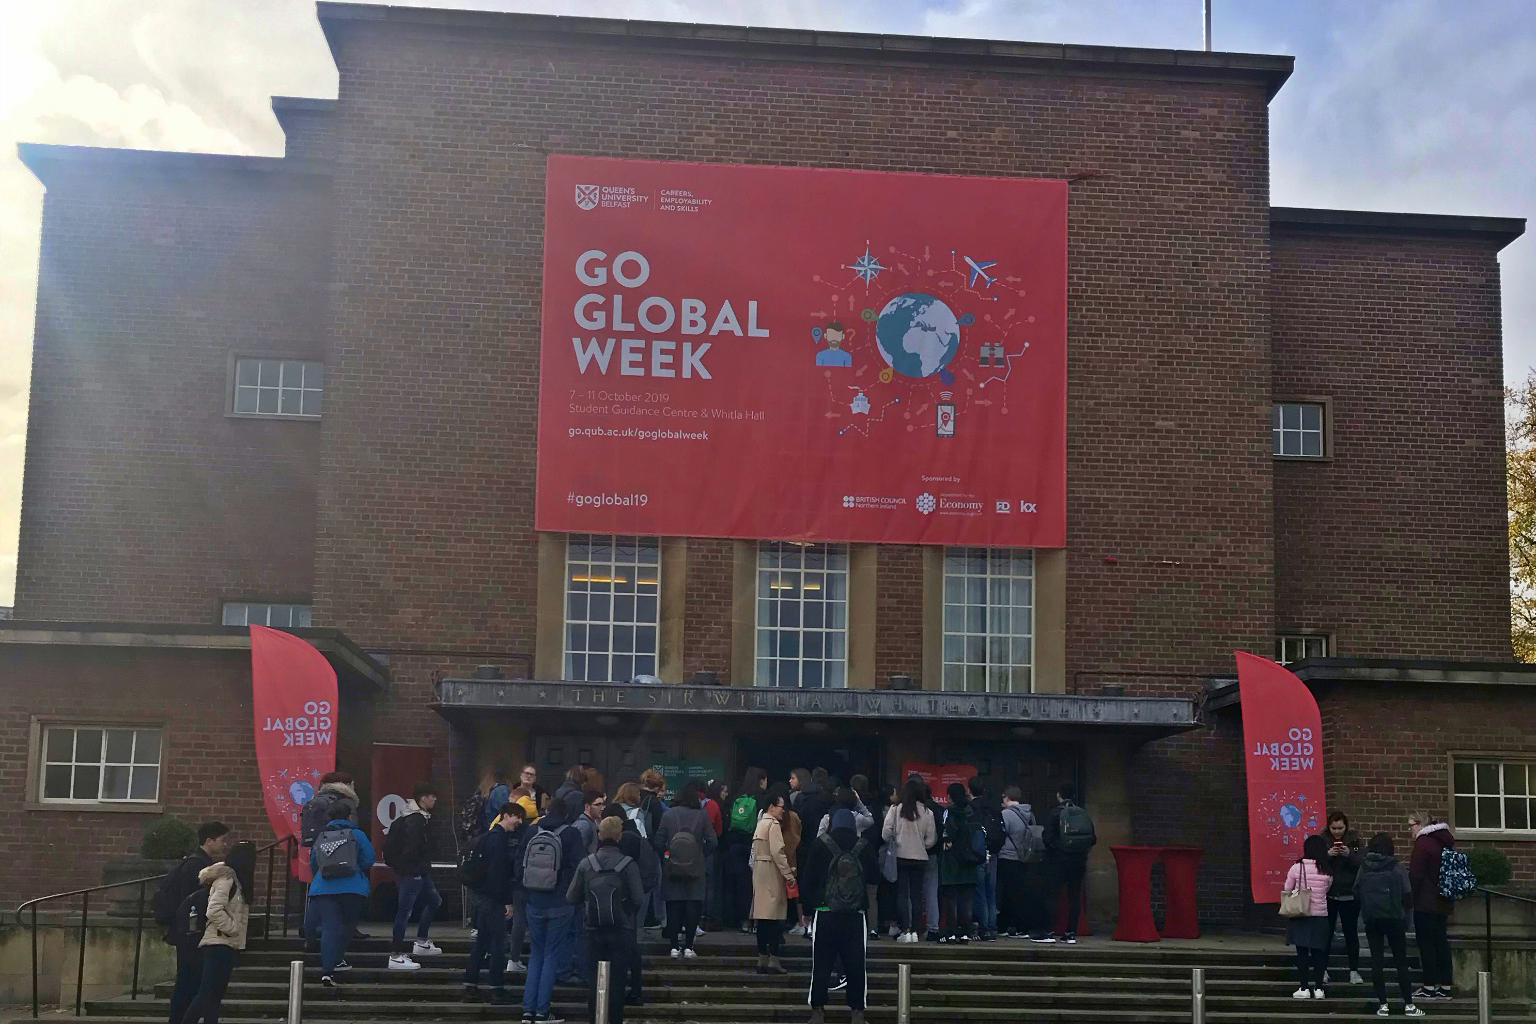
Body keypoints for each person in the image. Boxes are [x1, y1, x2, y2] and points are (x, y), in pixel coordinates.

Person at [802, 808, 876, 1024]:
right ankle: (857, 1012)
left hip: (825, 912)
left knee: (821, 964)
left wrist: (807, 910)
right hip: (855, 915)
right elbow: (875, 877)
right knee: (856, 965)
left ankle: (817, 1010)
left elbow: (808, 879)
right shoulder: (864, 845)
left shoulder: (820, 844)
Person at [567, 816, 643, 1024]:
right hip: (621, 929)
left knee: (595, 980)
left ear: (600, 835)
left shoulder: (587, 863)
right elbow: (638, 898)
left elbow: (571, 897)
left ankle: (595, 1019)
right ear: (619, 837)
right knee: (618, 981)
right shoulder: (628, 864)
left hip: (593, 929)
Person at [521, 787, 587, 1023]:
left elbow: (519, 863)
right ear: (566, 813)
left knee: (536, 955)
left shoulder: (532, 831)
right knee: (551, 955)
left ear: (547, 811)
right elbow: (580, 867)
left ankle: (527, 1010)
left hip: (534, 901)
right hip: (561, 902)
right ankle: (542, 1011)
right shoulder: (571, 834)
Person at [158, 821, 231, 1024]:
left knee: (190, 981)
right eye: (222, 840)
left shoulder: (197, 863)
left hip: (187, 933)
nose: (225, 844)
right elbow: (191, 902)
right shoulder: (197, 866)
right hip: (190, 935)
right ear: (209, 841)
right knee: (189, 982)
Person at [176, 840, 254, 1024]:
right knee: (207, 993)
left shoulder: (236, 881)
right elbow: (214, 910)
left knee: (214, 996)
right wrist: (232, 928)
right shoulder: (227, 879)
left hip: (225, 944)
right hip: (217, 943)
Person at [1354, 832, 1424, 1018]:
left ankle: (1383, 1004)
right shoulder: (1397, 867)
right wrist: (1406, 920)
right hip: (1394, 919)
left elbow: (1356, 891)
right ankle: (1409, 1004)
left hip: (1372, 919)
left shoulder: (1364, 867)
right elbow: (1407, 895)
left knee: (1376, 962)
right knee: (1401, 962)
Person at [601, 804, 660, 1008]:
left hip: (619, 901)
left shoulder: (624, 840)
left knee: (624, 947)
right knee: (632, 945)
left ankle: (626, 989)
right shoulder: (638, 837)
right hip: (633, 899)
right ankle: (635, 989)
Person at [308, 809, 375, 987]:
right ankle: (338, 959)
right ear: (350, 817)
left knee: (329, 928)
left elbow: (313, 862)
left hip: (323, 888)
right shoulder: (357, 835)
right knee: (348, 925)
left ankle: (327, 971)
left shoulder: (321, 836)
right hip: (353, 888)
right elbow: (369, 860)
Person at [464, 802, 519, 1005]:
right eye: (516, 817)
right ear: (506, 816)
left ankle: (470, 985)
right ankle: (496, 989)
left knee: (482, 942)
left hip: (482, 897)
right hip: (493, 899)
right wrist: (507, 901)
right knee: (498, 943)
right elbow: (499, 873)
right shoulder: (498, 839)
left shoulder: (487, 837)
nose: (519, 822)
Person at [384, 781, 444, 970]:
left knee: (435, 901)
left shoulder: (412, 817)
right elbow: (413, 847)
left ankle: (421, 941)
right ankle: (396, 955)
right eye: (432, 796)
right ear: (423, 798)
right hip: (413, 872)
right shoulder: (416, 820)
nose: (435, 799)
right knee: (405, 911)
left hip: (416, 871)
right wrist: (415, 868)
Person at [656, 783, 716, 958]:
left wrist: (667, 856)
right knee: (693, 908)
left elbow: (658, 841)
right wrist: (700, 855)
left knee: (673, 907)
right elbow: (713, 841)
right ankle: (689, 946)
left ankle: (674, 947)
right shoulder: (702, 815)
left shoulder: (668, 815)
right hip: (695, 869)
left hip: (672, 868)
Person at [1408, 810, 1456, 1001]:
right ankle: (1445, 986)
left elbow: (1416, 874)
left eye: (1411, 825)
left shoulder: (1423, 843)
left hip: (1425, 902)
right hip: (1442, 900)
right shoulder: (1443, 841)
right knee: (1441, 943)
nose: (1410, 830)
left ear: (1420, 824)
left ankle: (1429, 986)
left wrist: (1409, 896)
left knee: (1426, 944)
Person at [881, 778, 936, 943]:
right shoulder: (928, 812)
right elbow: (931, 840)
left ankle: (905, 929)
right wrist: (921, 845)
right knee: (917, 895)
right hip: (920, 857)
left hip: (900, 856)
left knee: (902, 894)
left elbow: (885, 834)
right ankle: (915, 931)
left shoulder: (895, 810)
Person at [1042, 782, 1095, 943]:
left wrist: (1056, 849)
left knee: (1052, 895)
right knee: (1074, 898)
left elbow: (1047, 838)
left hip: (1058, 861)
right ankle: (1071, 933)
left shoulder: (1055, 813)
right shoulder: (1082, 813)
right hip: (1078, 861)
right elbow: (1092, 838)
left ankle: (1048, 931)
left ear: (1059, 795)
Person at [1283, 833, 1335, 1000]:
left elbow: (1287, 888)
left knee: (1302, 953)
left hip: (1300, 914)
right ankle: (1319, 988)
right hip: (1320, 916)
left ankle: (1304, 987)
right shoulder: (1327, 870)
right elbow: (1327, 890)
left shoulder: (1296, 867)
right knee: (1319, 953)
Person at [752, 783, 796, 974]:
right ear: (772, 807)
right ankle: (774, 959)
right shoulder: (774, 825)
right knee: (775, 918)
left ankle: (762, 958)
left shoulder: (761, 823)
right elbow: (778, 852)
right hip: (771, 872)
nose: (783, 811)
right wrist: (788, 874)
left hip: (759, 871)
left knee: (762, 918)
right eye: (781, 807)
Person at [1320, 811, 1364, 986]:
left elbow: (1362, 863)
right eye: (1334, 828)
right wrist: (1328, 855)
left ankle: (1354, 971)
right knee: (1326, 933)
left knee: (1351, 933)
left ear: (1346, 827)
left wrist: (1349, 855)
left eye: (1340, 828)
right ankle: (1323, 969)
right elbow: (1316, 863)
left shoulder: (1355, 841)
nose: (1337, 832)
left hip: (1349, 894)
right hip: (1329, 893)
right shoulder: (1322, 841)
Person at [724, 767, 767, 932]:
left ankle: (737, 919)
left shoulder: (737, 797)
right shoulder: (761, 799)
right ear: (761, 781)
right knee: (753, 884)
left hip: (735, 845)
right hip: (752, 845)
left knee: (737, 883)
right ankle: (752, 919)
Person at [995, 787, 1041, 939]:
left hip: (1007, 856)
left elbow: (1000, 835)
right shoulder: (1029, 814)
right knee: (1018, 892)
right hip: (1024, 857)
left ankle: (1009, 925)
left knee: (1006, 893)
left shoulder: (1006, 814)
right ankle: (1016, 926)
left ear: (1008, 798)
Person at [938, 782, 978, 944]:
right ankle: (966, 932)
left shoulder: (950, 811)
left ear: (950, 796)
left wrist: (946, 843)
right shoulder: (972, 811)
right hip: (971, 860)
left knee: (951, 900)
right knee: (966, 899)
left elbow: (947, 835)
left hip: (952, 862)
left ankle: (952, 932)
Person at [968, 777, 1002, 941]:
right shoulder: (993, 808)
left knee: (979, 892)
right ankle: (992, 927)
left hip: (978, 854)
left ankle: (984, 928)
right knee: (991, 892)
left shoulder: (970, 809)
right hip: (993, 853)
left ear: (969, 790)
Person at [702, 779, 728, 930]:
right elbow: (714, 828)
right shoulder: (714, 805)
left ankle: (706, 916)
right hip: (713, 848)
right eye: (724, 791)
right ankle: (710, 917)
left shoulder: (707, 804)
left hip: (708, 847)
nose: (726, 794)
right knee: (712, 884)